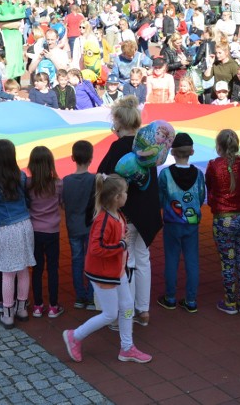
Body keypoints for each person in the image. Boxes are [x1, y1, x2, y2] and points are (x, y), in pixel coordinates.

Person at [62, 173, 152, 364]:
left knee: (127, 307)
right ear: (116, 198)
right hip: (103, 275)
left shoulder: (117, 215)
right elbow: (95, 248)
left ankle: (127, 347)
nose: (128, 196)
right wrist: (120, 245)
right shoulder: (103, 220)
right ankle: (74, 336)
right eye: (125, 193)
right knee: (110, 314)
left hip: (116, 272)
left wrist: (121, 243)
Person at [96, 96, 161, 327]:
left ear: (117, 123)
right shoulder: (148, 148)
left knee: (128, 262)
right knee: (143, 259)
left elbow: (103, 177)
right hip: (146, 211)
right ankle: (143, 310)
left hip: (126, 214)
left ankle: (128, 312)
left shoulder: (118, 147)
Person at [0, 139, 36, 329]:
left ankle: (8, 314)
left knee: (7, 272)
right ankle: (21, 309)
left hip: (5, 230)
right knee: (23, 270)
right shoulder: (21, 176)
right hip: (24, 225)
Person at [157, 133, 205, 313]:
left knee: (171, 259)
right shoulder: (199, 175)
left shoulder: (165, 174)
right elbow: (200, 197)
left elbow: (160, 198)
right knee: (192, 260)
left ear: (172, 152)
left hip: (172, 223)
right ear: (192, 152)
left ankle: (170, 298)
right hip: (191, 224)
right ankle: (191, 300)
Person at [26, 146, 64, 318]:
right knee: (53, 269)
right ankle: (54, 306)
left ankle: (38, 305)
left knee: (37, 268)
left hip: (34, 231)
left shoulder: (28, 184)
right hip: (52, 231)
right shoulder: (58, 184)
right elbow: (62, 203)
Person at [62, 140, 96, 310]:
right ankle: (91, 296)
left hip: (73, 227)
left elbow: (63, 203)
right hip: (90, 226)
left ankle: (79, 296)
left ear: (72, 158)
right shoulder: (95, 179)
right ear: (91, 158)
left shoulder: (66, 181)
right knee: (91, 260)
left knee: (77, 260)